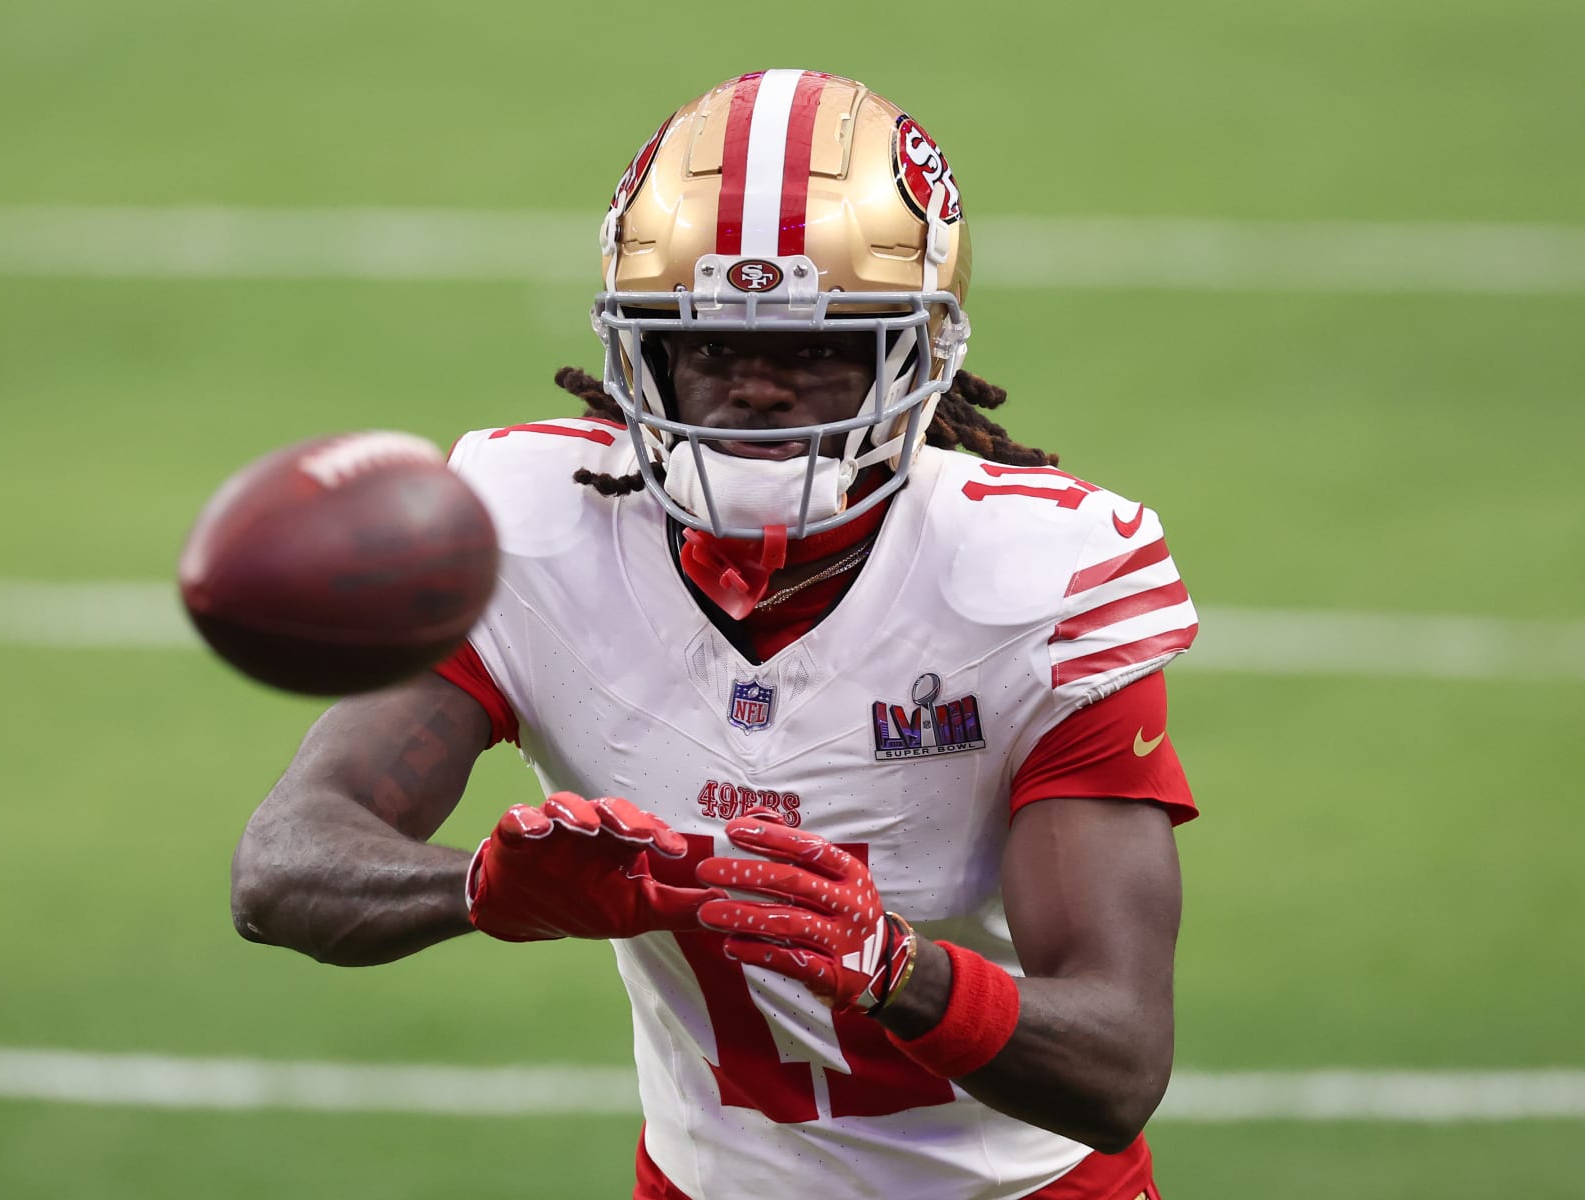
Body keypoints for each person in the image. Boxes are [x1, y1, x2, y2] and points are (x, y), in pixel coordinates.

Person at [231, 69, 1199, 1200]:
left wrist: (898, 970)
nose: (757, 392)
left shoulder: (1032, 578)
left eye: (817, 350)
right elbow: (284, 866)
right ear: (640, 354)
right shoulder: (534, 528)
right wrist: (483, 889)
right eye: (713, 347)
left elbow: (1119, 1061)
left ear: (918, 355)